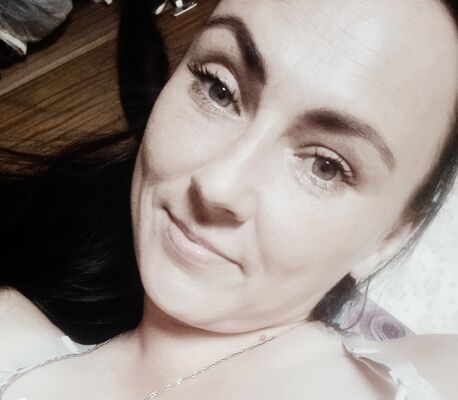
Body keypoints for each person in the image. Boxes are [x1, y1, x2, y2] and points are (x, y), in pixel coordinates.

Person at [1, 0, 458, 398]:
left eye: (325, 166)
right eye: (219, 89)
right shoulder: (15, 334)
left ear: (391, 236)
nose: (217, 185)